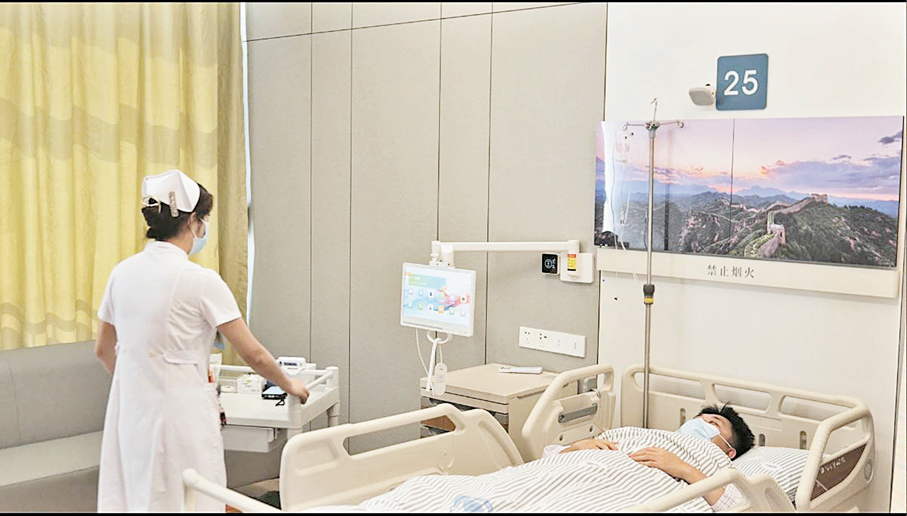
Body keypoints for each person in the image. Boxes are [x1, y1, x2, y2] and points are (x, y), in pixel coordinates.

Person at [93, 169, 311, 512]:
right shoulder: (200, 281)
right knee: (190, 499)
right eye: (205, 219)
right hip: (181, 415)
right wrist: (290, 384)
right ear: (193, 221)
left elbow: (104, 350)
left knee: (139, 498)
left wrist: (141, 383)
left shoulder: (122, 273)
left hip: (132, 412)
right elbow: (253, 354)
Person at [557, 403, 755, 512]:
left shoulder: (719, 464)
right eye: (698, 420)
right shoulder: (639, 433)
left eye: (714, 424)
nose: (700, 424)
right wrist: (576, 447)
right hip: (579, 477)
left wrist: (684, 469)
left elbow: (740, 507)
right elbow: (549, 459)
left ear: (729, 451)